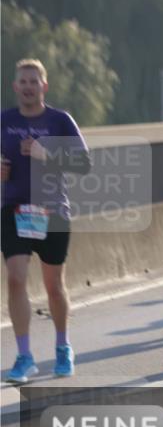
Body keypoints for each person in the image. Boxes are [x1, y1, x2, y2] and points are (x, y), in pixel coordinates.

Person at [2, 59, 91, 383]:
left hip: (51, 210)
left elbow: (84, 164)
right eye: (22, 81)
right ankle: (24, 356)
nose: (28, 87)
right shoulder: (4, 120)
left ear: (44, 86)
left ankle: (62, 346)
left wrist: (47, 154)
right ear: (15, 87)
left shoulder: (59, 121)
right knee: (15, 278)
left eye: (33, 81)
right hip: (13, 209)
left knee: (54, 286)